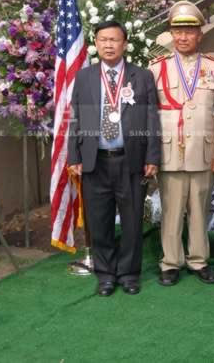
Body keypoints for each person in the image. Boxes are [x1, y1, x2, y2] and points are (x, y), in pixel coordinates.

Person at [67, 20, 160, 297]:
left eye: (114, 40)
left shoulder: (142, 77)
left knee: (132, 220)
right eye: (103, 39)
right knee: (99, 220)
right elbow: (75, 119)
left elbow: (153, 118)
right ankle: (105, 274)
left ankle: (130, 273)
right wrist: (74, 155)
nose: (109, 44)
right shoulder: (84, 78)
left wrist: (152, 155)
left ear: (125, 44)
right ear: (96, 43)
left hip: (131, 160)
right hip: (95, 160)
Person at [148, 1, 214, 287]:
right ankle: (170, 262)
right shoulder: (156, 69)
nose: (183, 37)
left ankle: (198, 259)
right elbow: (149, 115)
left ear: (199, 34)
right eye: (177, 31)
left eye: (189, 31)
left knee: (200, 206)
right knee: (170, 207)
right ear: (171, 33)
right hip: (170, 151)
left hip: (203, 150)